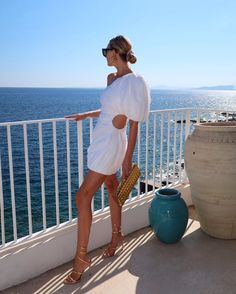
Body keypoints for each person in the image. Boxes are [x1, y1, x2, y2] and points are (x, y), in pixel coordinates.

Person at [63, 35, 151, 284]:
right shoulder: (112, 79)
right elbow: (110, 110)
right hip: (101, 139)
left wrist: (127, 159)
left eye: (106, 51)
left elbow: (133, 122)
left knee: (83, 196)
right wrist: (86, 114)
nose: (104, 56)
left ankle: (81, 258)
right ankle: (117, 236)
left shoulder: (136, 81)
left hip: (112, 143)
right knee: (112, 187)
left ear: (115, 52)